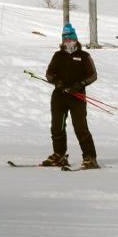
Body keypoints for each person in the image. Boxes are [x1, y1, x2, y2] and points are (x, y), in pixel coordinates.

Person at [41, 22, 100, 169]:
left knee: (80, 127)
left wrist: (79, 85)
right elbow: (49, 74)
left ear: (75, 39)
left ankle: (90, 157)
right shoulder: (58, 55)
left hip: (77, 96)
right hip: (59, 96)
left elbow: (93, 75)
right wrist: (57, 82)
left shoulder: (84, 56)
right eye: (65, 39)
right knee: (57, 127)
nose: (67, 41)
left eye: (69, 38)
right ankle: (59, 155)